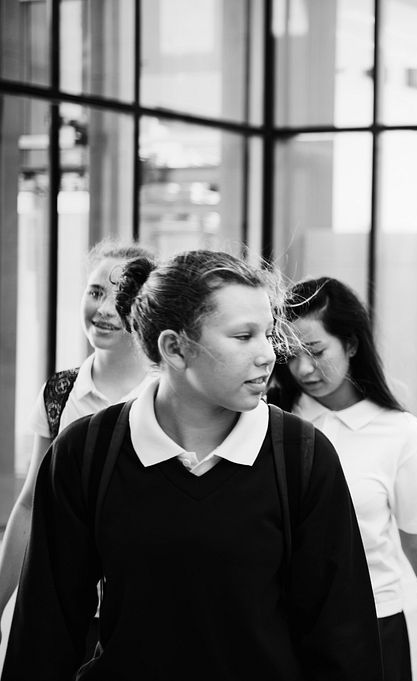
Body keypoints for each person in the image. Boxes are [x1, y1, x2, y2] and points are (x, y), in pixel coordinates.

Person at [1, 251, 382, 680]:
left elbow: (344, 640)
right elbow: (43, 634)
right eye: (243, 336)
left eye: (267, 333)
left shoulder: (302, 454)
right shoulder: (87, 450)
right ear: (174, 348)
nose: (268, 355)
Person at [269, 276, 417, 681]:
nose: (303, 368)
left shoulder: (399, 432)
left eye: (315, 351)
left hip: (374, 625)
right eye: (291, 355)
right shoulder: (269, 421)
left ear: (350, 344)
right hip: (284, 625)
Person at [0, 241, 157, 629]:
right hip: (66, 607)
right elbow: (31, 506)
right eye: (95, 292)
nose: (103, 309)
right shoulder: (61, 391)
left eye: (121, 297)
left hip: (145, 611)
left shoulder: (169, 395)